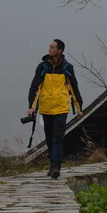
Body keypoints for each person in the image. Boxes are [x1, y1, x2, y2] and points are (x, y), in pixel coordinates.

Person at [27, 38, 83, 179]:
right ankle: (52, 164)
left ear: (60, 50)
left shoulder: (67, 67)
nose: (50, 49)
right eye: (49, 47)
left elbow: (74, 87)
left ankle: (55, 166)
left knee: (58, 137)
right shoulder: (42, 67)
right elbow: (35, 87)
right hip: (46, 108)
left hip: (61, 108)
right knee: (50, 138)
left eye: (53, 47)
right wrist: (31, 107)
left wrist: (79, 107)